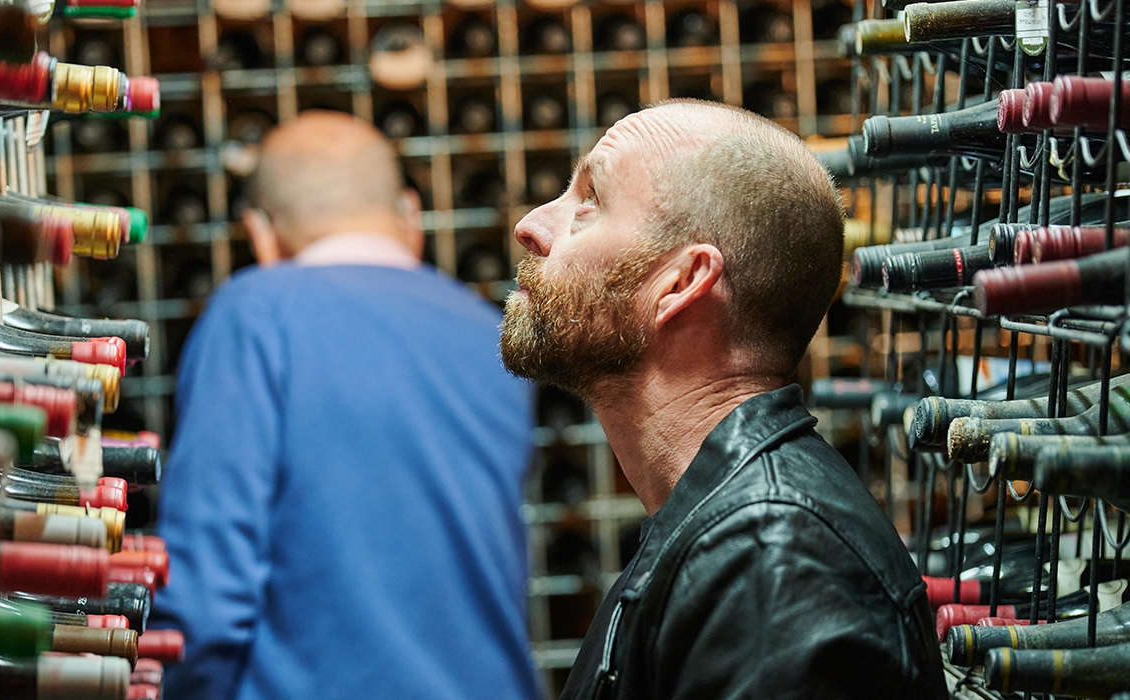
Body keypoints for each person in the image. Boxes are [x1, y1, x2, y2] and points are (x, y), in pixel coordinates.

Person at [500, 99, 947, 700]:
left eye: (590, 203)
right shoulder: (728, 530)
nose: (532, 224)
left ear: (681, 283)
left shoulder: (772, 561)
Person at [151, 111, 539, 700]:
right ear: (411, 214)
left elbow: (208, 593)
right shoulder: (492, 334)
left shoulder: (255, 316)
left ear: (260, 231)